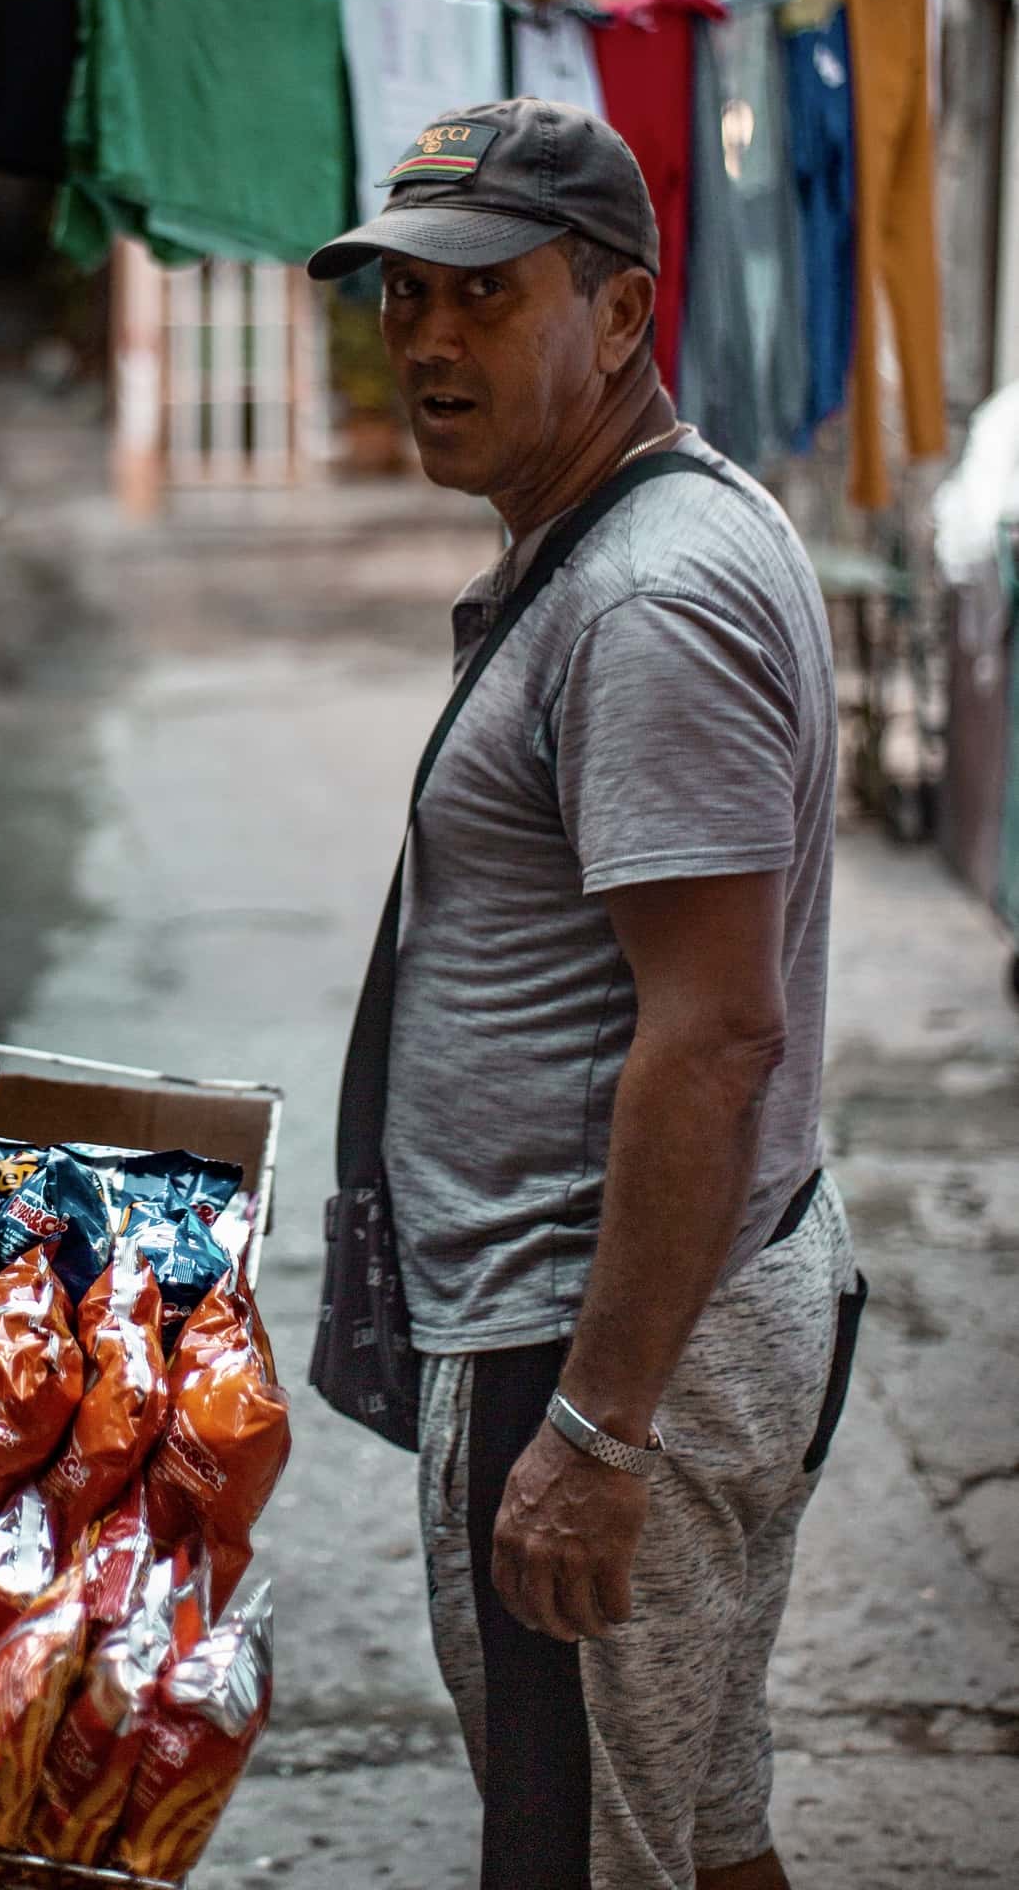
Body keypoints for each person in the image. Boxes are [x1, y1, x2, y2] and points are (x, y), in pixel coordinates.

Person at [307, 98, 865, 1890]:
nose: (426, 340)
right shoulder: (631, 534)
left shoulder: (647, 600)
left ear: (620, 317)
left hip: (599, 1329)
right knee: (696, 1839)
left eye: (481, 294)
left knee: (579, 1857)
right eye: (399, 297)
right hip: (652, 1308)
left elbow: (711, 1034)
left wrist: (593, 1432)